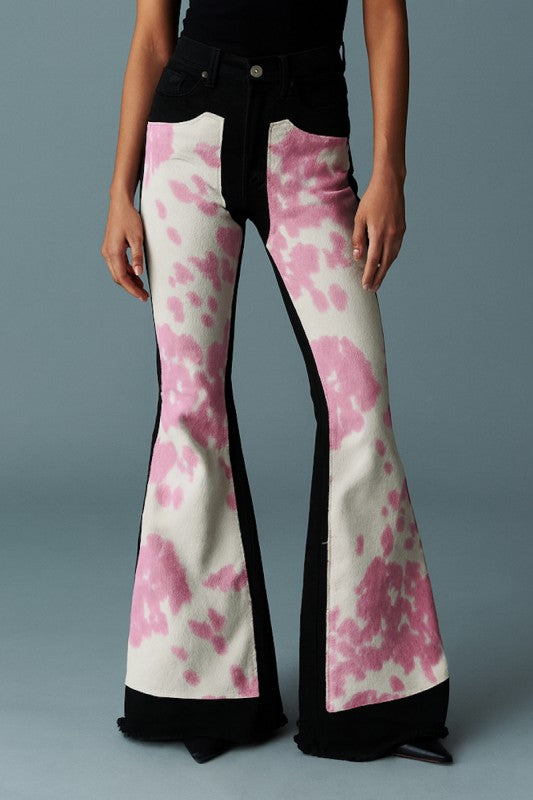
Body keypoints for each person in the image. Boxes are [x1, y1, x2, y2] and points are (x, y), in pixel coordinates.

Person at [101, 0, 453, 766]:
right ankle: (198, 687)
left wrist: (389, 172)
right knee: (189, 410)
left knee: (359, 405)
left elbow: (384, 16)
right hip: (187, 141)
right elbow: (154, 33)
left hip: (309, 144)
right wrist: (120, 192)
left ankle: (375, 694)